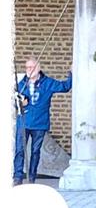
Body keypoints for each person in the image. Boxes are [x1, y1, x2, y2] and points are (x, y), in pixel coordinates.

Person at [13, 57, 72, 185]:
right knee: (19, 150)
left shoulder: (48, 83)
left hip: (40, 123)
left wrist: (71, 74)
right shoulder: (21, 84)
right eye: (27, 67)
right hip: (23, 121)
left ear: (38, 68)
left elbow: (65, 87)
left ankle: (31, 178)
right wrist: (20, 103)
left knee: (35, 151)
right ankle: (17, 177)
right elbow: (13, 102)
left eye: (32, 67)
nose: (29, 70)